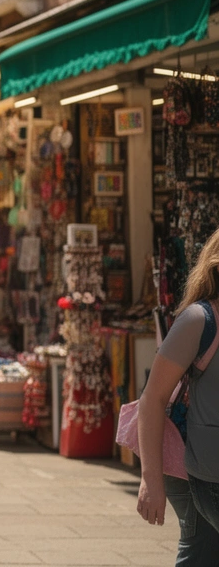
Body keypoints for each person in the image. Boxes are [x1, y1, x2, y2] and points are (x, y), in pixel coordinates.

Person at [135, 227, 219, 564]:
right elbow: (152, 399)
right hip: (211, 477)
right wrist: (151, 482)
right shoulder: (200, 320)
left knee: (200, 554)